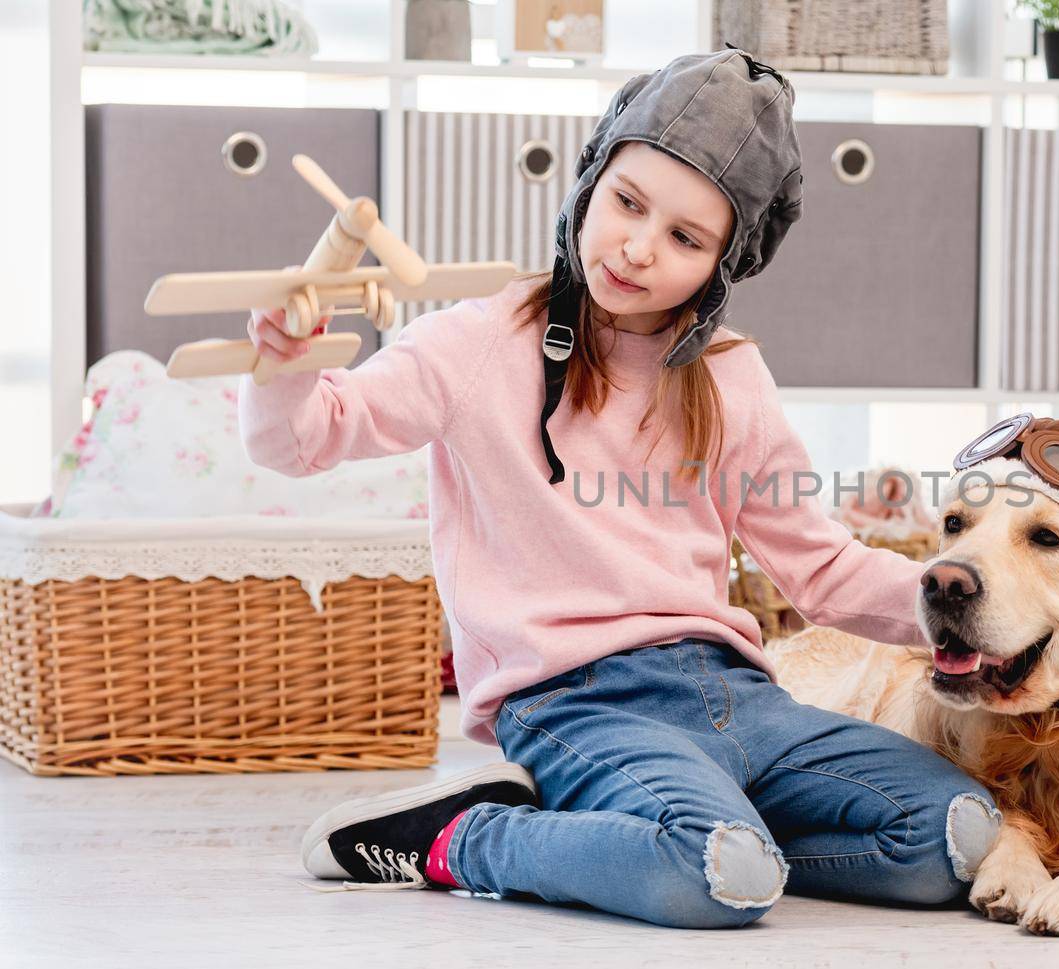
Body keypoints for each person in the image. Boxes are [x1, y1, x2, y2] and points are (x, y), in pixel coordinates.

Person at [243, 49, 1000, 929]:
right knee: (713, 877)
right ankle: (463, 838)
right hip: (574, 700)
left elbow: (822, 571)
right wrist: (283, 365)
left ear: (723, 264)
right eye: (627, 203)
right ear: (591, 180)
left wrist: (981, 615)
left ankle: (702, 838)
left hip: (736, 694)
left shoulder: (730, 375)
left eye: (684, 238)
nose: (639, 248)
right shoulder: (479, 341)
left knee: (959, 837)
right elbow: (301, 439)